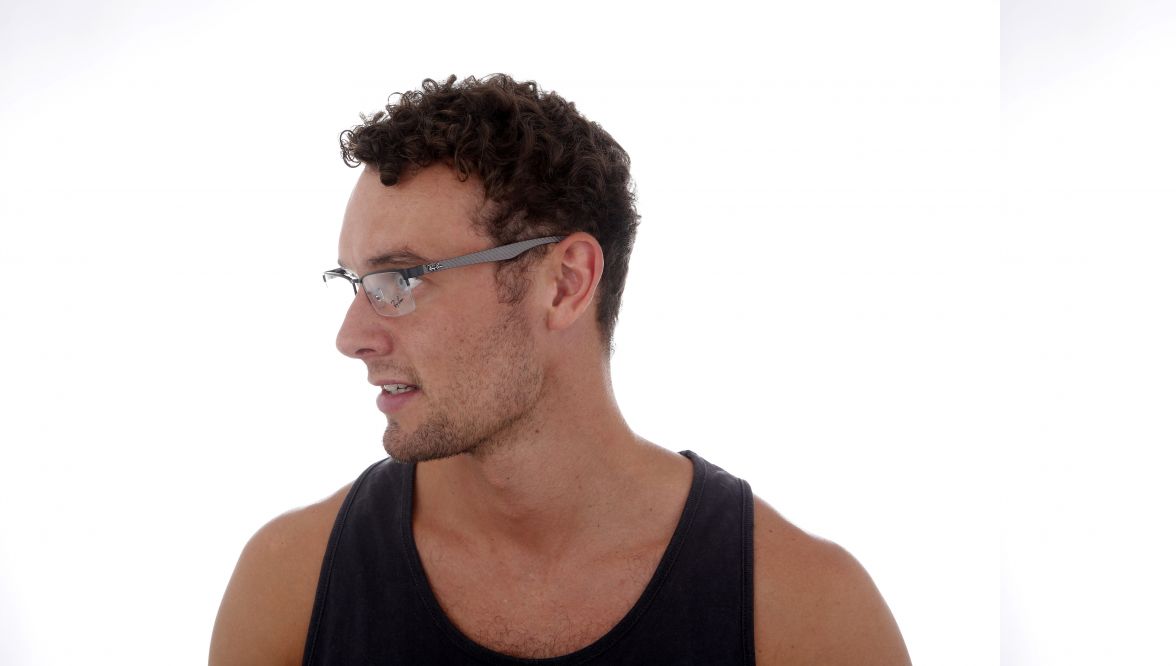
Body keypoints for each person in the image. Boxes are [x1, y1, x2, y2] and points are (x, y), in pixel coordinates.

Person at [210, 73, 915, 666]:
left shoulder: (806, 614)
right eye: (354, 282)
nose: (351, 337)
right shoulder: (292, 583)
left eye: (400, 280)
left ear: (565, 284)